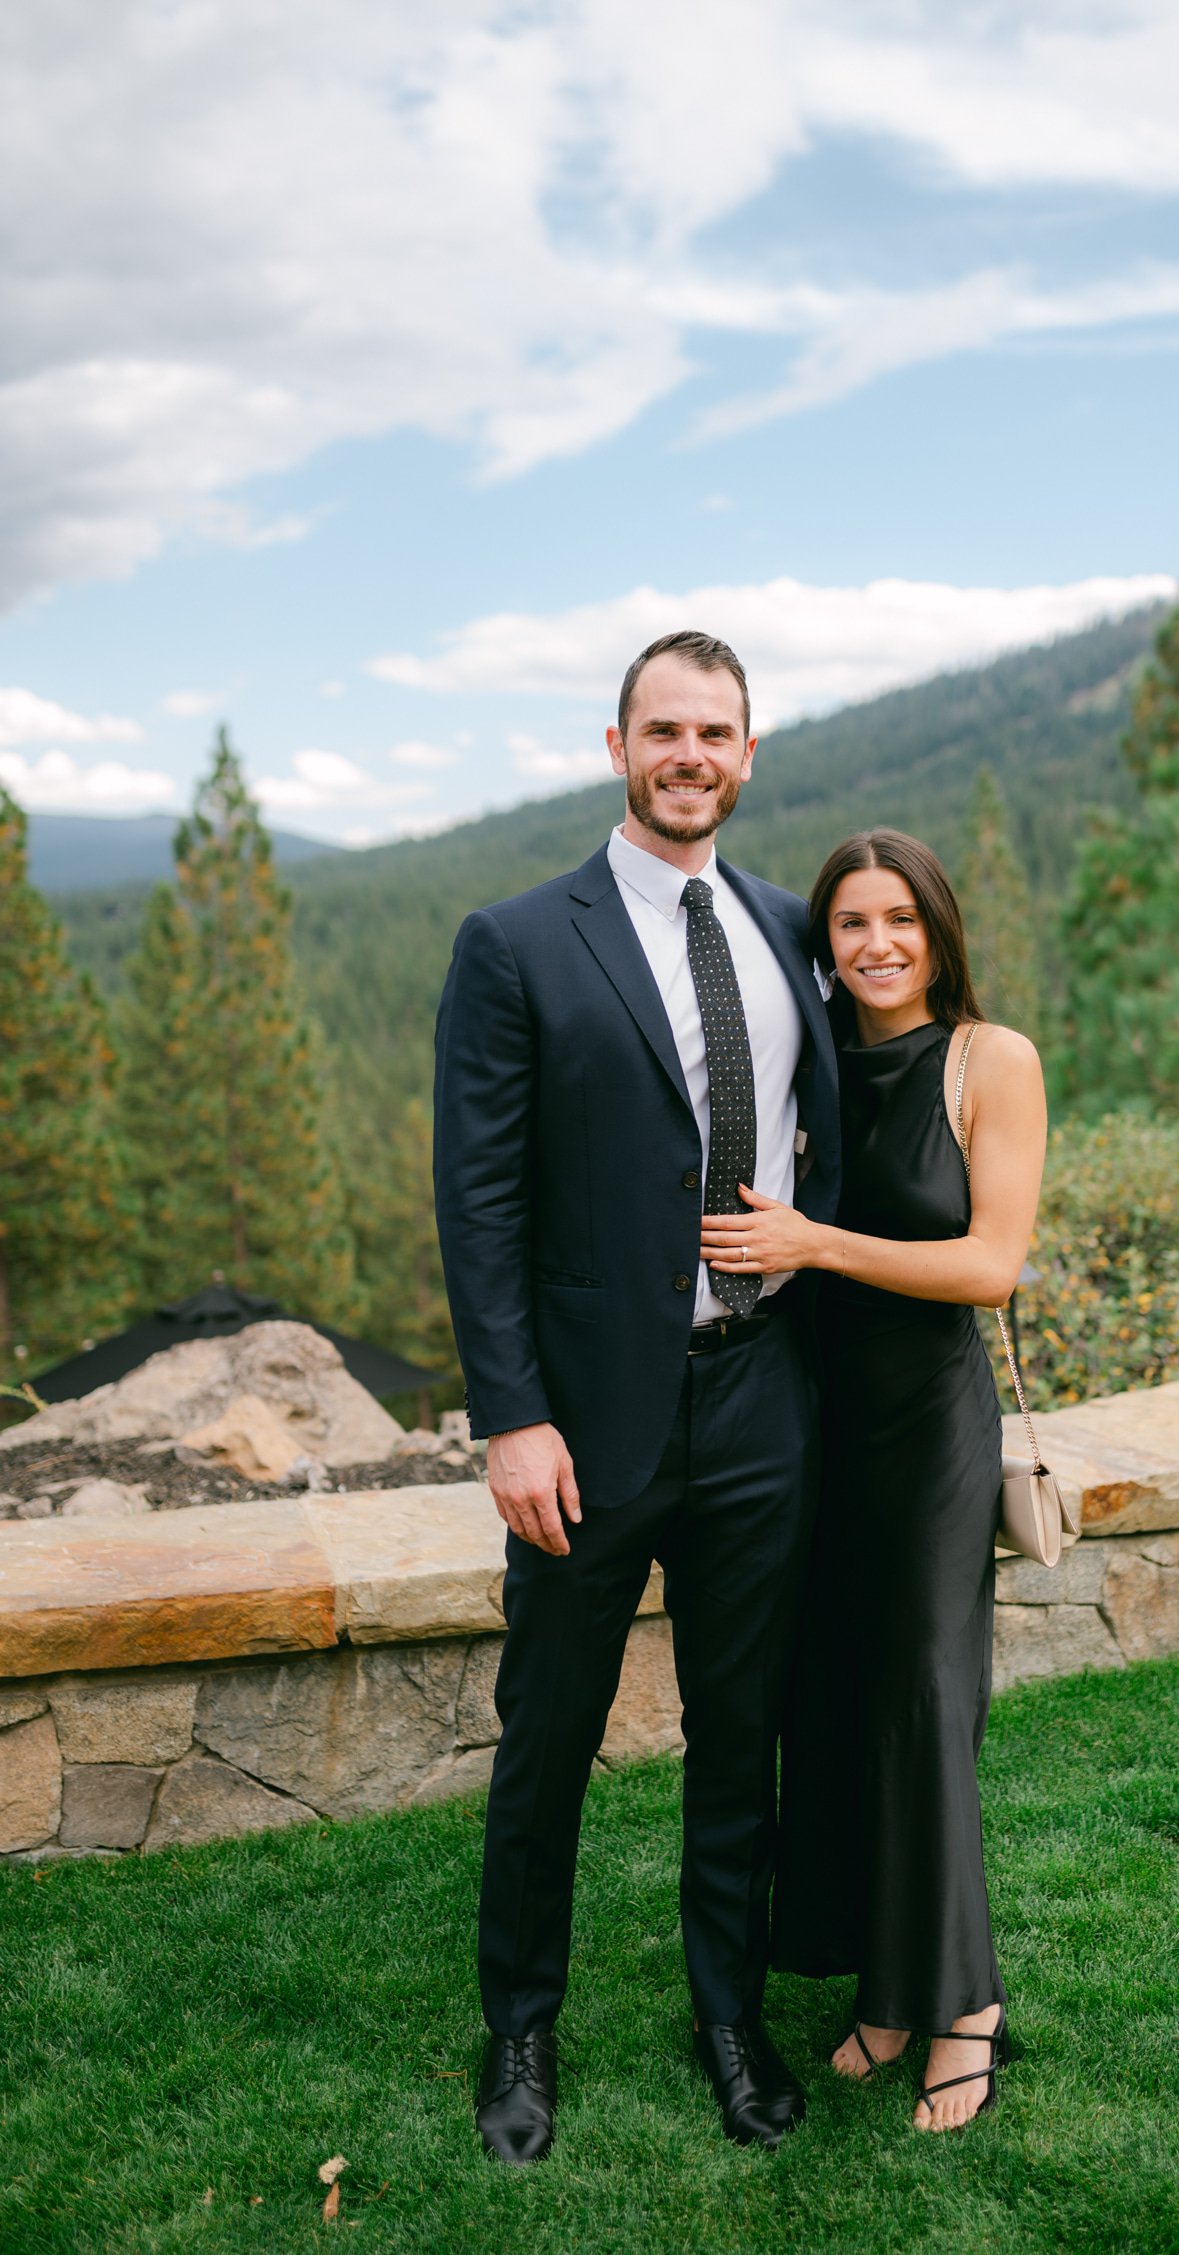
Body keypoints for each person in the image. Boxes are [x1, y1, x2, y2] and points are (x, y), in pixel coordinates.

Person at [432, 630, 841, 2166]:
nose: (690, 755)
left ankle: (729, 2019)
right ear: (617, 746)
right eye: (662, 729)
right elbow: (478, 1199)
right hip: (586, 1425)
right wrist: (509, 1412)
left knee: (744, 1737)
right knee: (549, 1733)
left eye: (716, 732)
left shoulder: (795, 931)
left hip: (761, 1403)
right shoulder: (520, 940)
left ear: (750, 752)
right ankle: (520, 2028)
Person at [697, 828, 1047, 2134]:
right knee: (833, 1703)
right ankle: (885, 1991)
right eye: (851, 923)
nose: (878, 943)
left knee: (923, 1698)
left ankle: (966, 2008)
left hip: (926, 1429)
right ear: (824, 944)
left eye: (900, 918)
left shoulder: (988, 1060)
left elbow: (991, 1265)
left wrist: (814, 1242)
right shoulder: (819, 1063)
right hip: (813, 1423)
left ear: (938, 929)